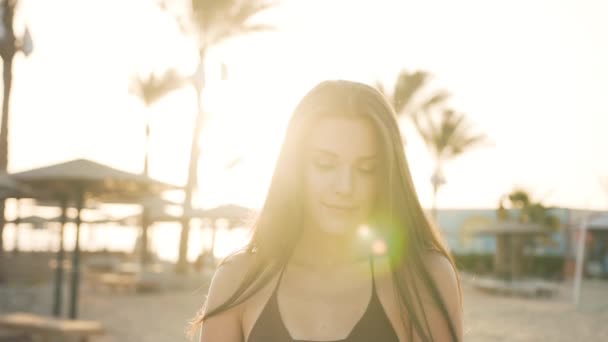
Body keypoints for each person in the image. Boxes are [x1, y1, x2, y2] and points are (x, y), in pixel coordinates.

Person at [190, 80, 463, 341]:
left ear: (386, 176)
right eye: (325, 164)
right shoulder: (238, 280)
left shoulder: (423, 278)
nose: (345, 186)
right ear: (296, 168)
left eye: (366, 168)